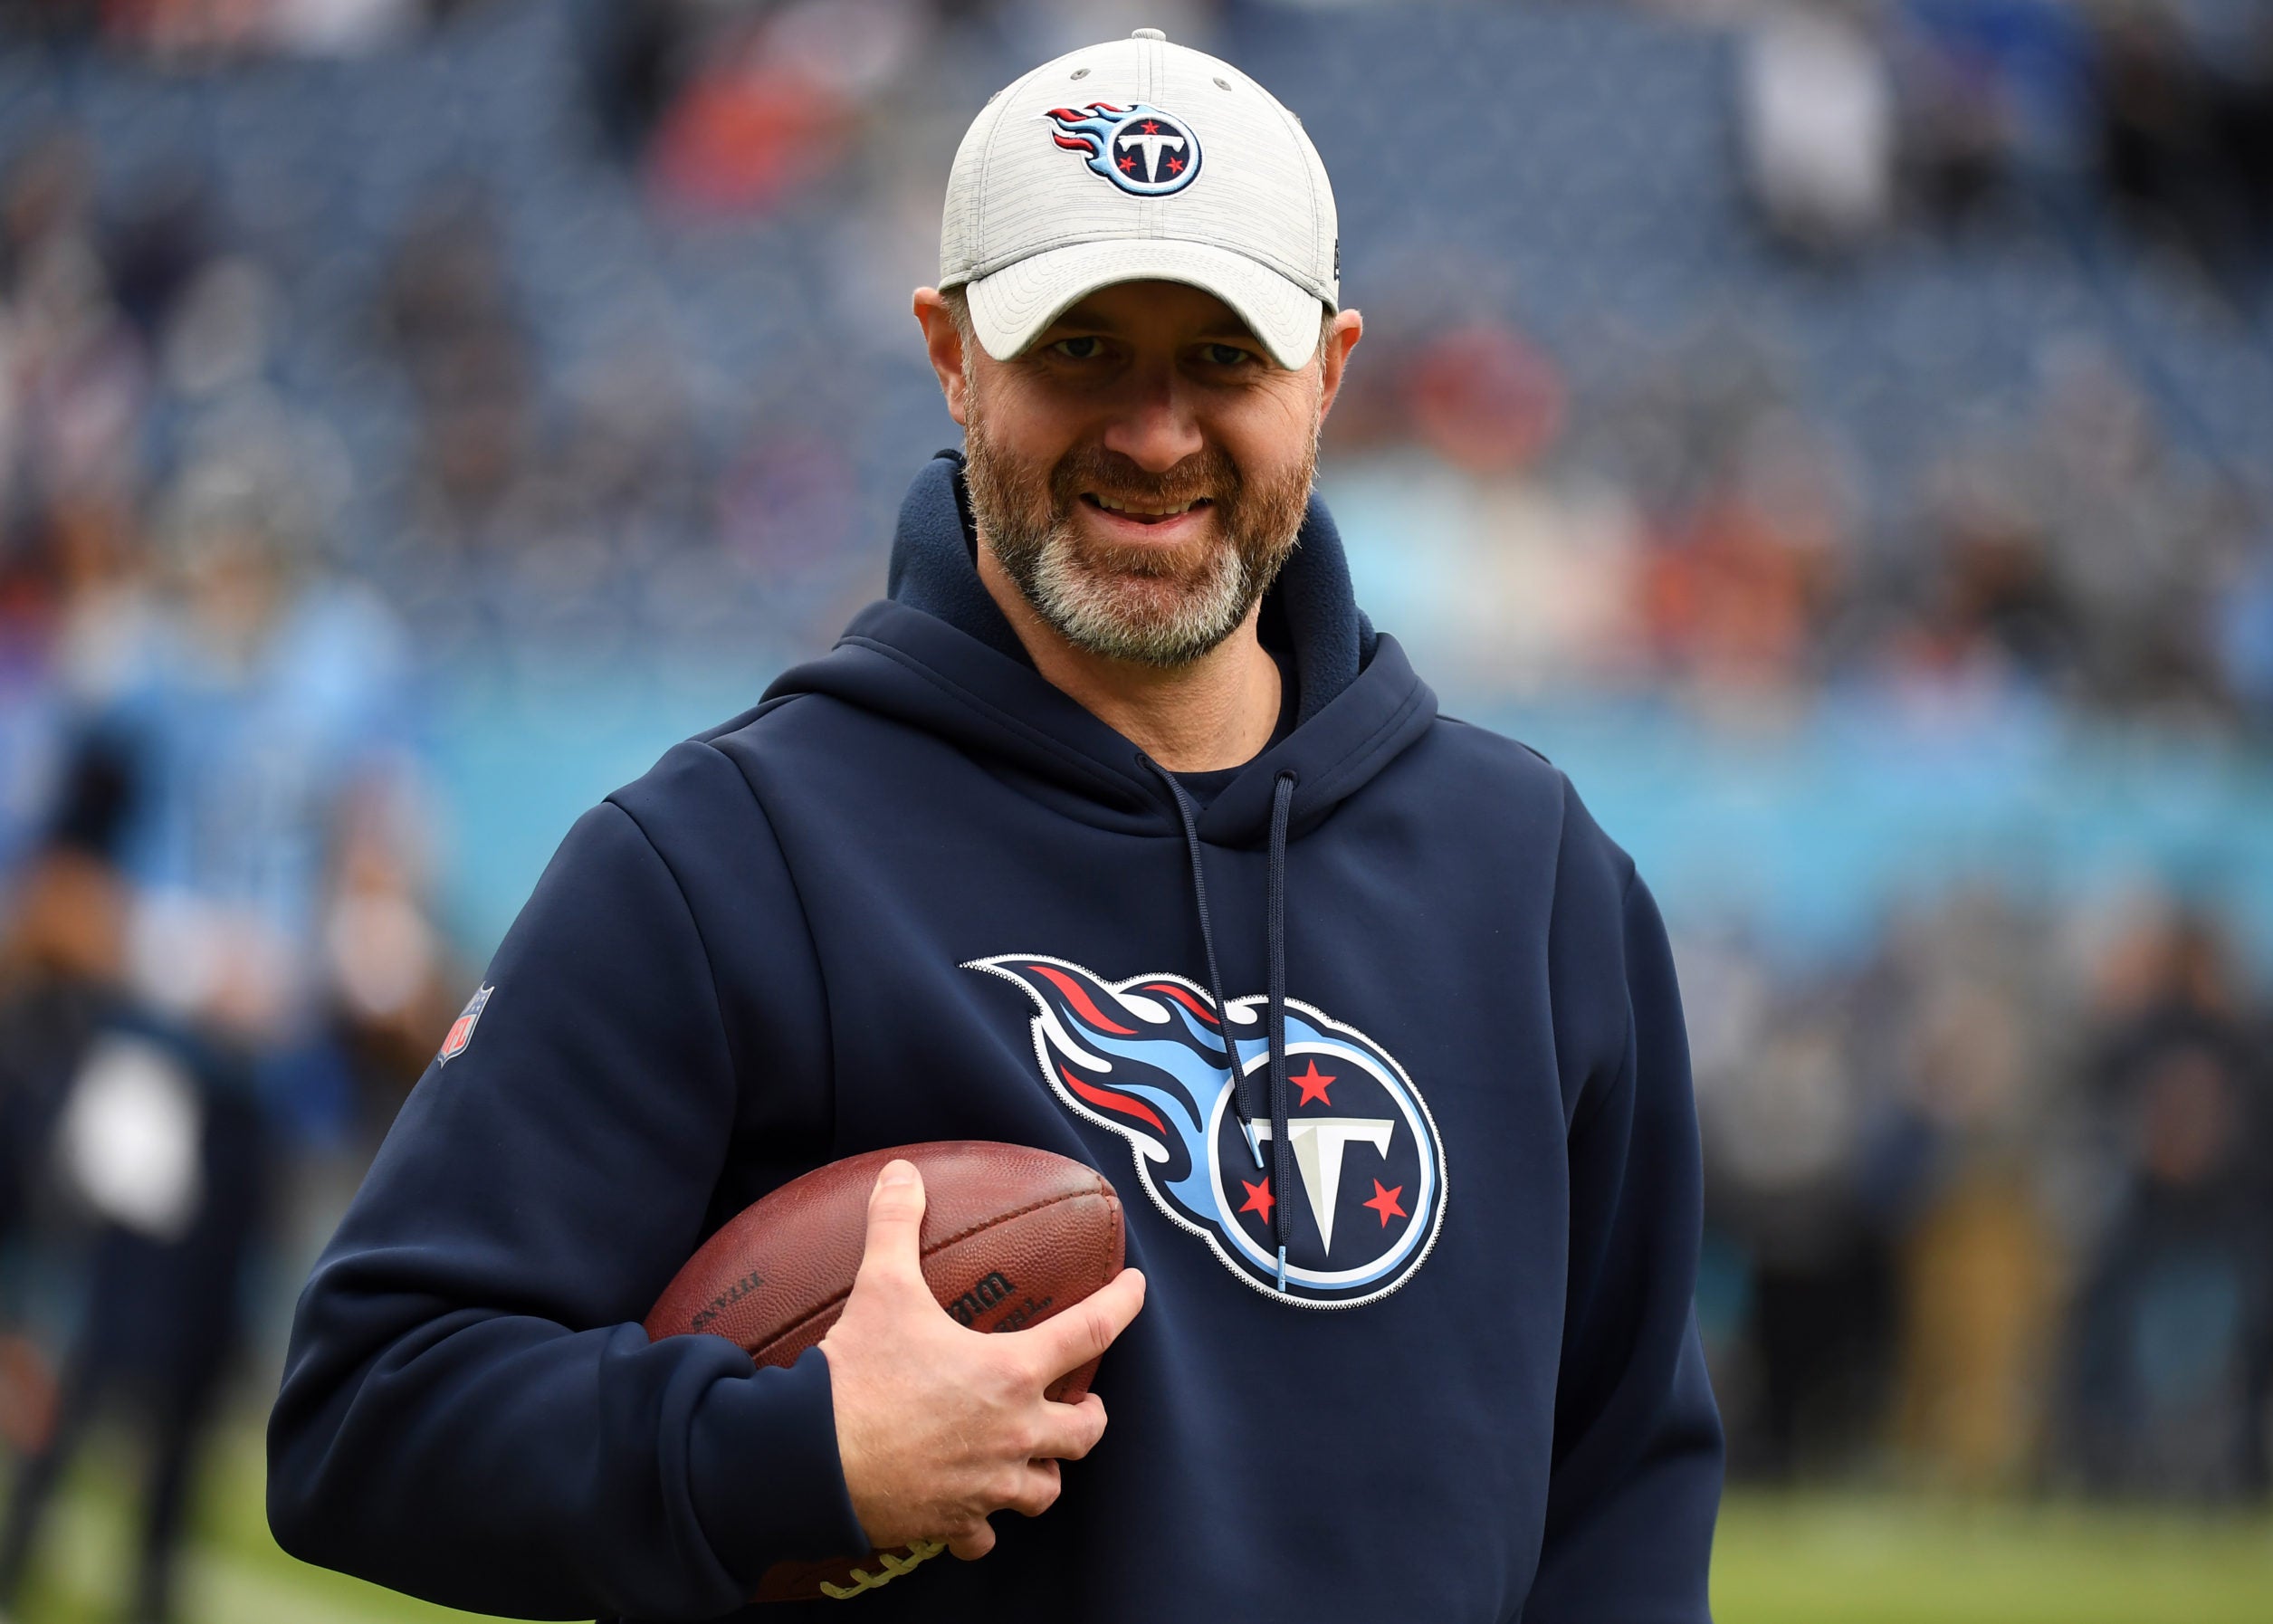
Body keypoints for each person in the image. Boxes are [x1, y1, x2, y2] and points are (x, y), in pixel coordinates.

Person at [267, 29, 1723, 1622]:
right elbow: (368, 1414)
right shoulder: (722, 858)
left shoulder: (1540, 878)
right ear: (953, 353)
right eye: (1081, 348)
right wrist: (790, 1454)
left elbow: (1626, 1483)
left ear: (1330, 370)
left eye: (1225, 358)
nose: (1156, 433)